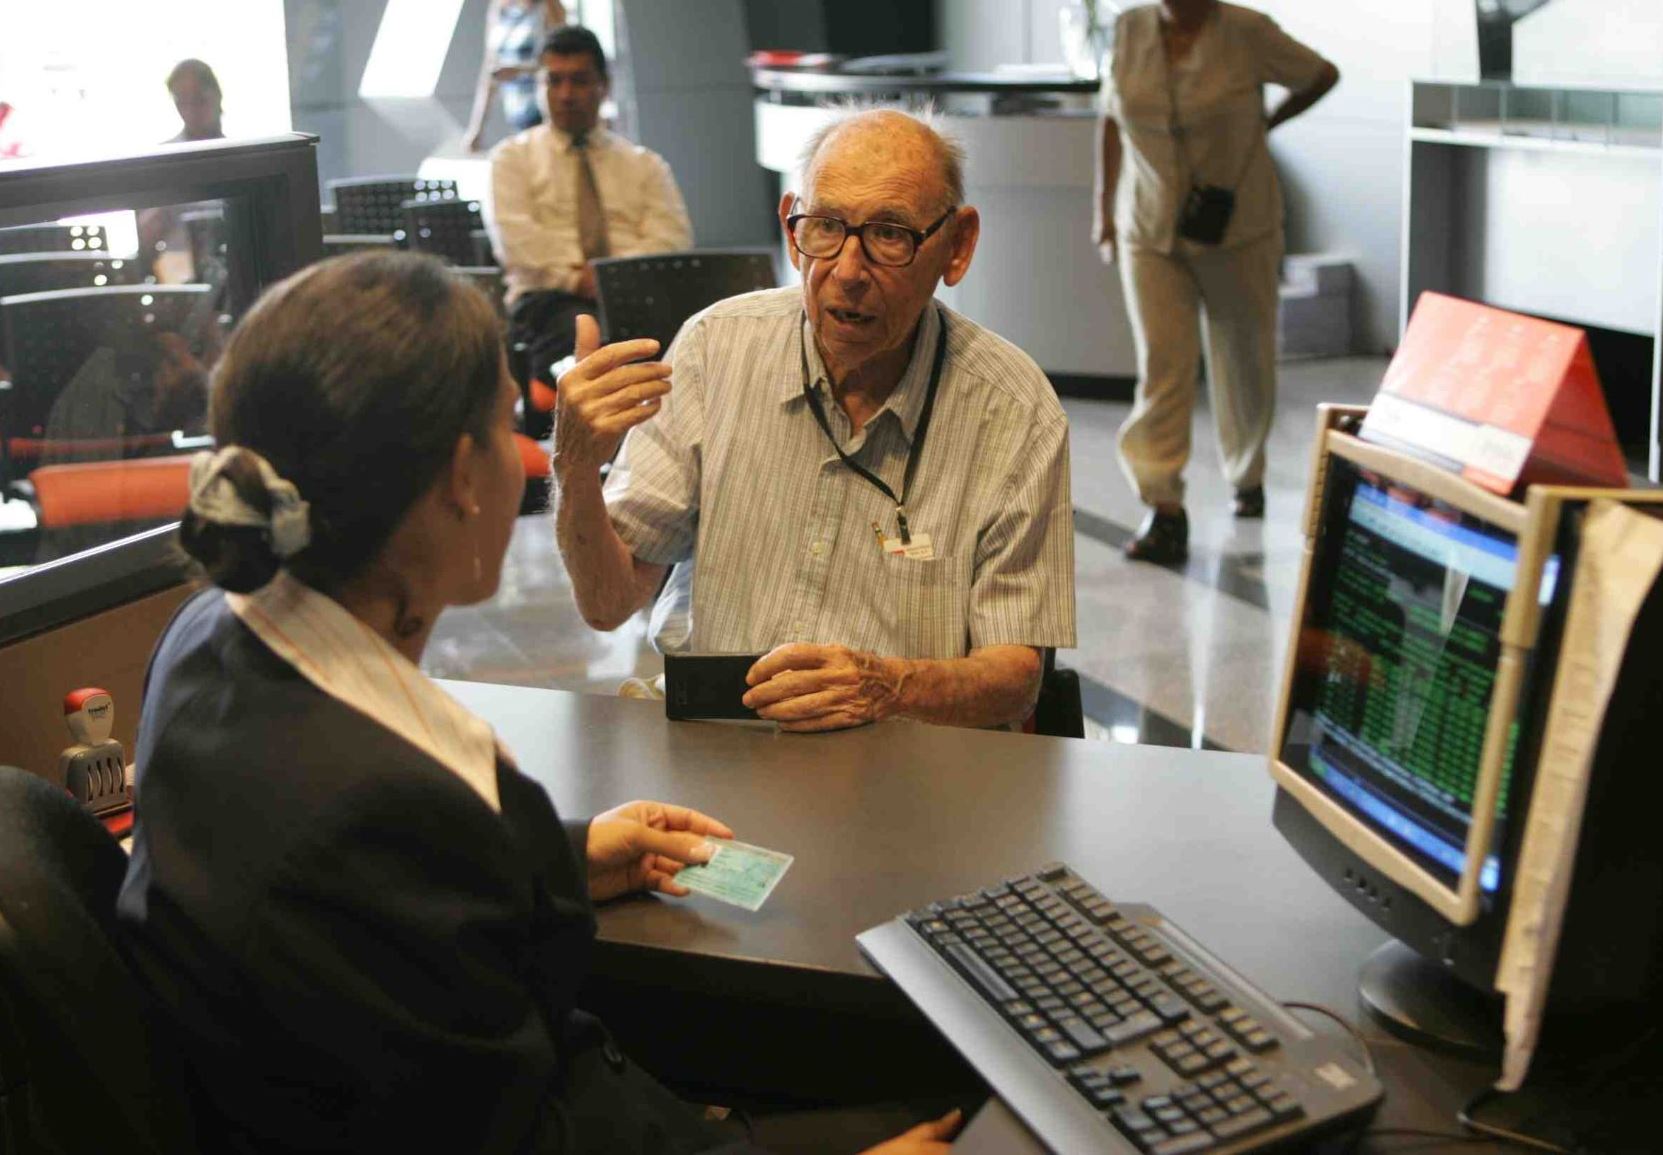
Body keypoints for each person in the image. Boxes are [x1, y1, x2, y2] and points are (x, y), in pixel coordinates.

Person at [115, 251, 961, 1155]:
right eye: (503, 424)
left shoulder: (207, 637)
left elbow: (386, 920)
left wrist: (564, 854)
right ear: (460, 478)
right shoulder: (389, 803)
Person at [554, 109, 1076, 733]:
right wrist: (577, 467)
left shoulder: (1013, 411)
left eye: (889, 234)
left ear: (957, 247)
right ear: (790, 227)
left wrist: (892, 686)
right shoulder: (714, 350)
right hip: (723, 746)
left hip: (911, 764)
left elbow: (1016, 679)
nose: (849, 272)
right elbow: (607, 603)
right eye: (825, 227)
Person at [1095, 0, 1338, 563]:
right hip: (1149, 225)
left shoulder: (1247, 31)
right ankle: (1164, 507)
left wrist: (1268, 122)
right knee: (1163, 366)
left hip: (1239, 225)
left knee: (1245, 358)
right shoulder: (1131, 28)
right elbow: (1111, 118)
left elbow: (1321, 74)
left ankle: (1245, 471)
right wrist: (1102, 210)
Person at [487, 24, 692, 437]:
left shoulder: (644, 165)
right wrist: (584, 278)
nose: (565, 94)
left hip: (636, 299)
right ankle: (603, 449)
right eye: (554, 80)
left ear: (603, 86)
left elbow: (672, 241)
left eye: (579, 80)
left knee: (689, 339)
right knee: (585, 334)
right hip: (546, 304)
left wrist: (614, 280)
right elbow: (519, 244)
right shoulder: (512, 159)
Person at [464, 0, 568, 153]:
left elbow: (563, 63)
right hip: (517, 114)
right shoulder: (500, 9)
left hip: (545, 114)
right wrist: (476, 128)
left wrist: (520, 70)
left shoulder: (549, 7)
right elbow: (490, 69)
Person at [164, 58, 224, 142]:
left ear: (217, 96)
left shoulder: (243, 150)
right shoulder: (166, 153)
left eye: (199, 99)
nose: (191, 110)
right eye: (183, 102)